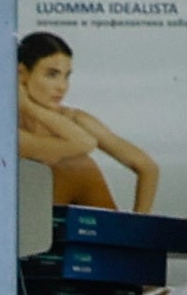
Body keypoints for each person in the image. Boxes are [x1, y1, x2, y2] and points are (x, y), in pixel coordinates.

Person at [14, 31, 161, 212]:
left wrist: (140, 225)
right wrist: (26, 108)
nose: (62, 86)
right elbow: (83, 142)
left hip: (88, 229)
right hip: (30, 220)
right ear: (21, 73)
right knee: (74, 165)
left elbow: (148, 167)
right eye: (52, 75)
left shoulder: (75, 118)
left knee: (77, 165)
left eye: (66, 76)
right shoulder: (9, 129)